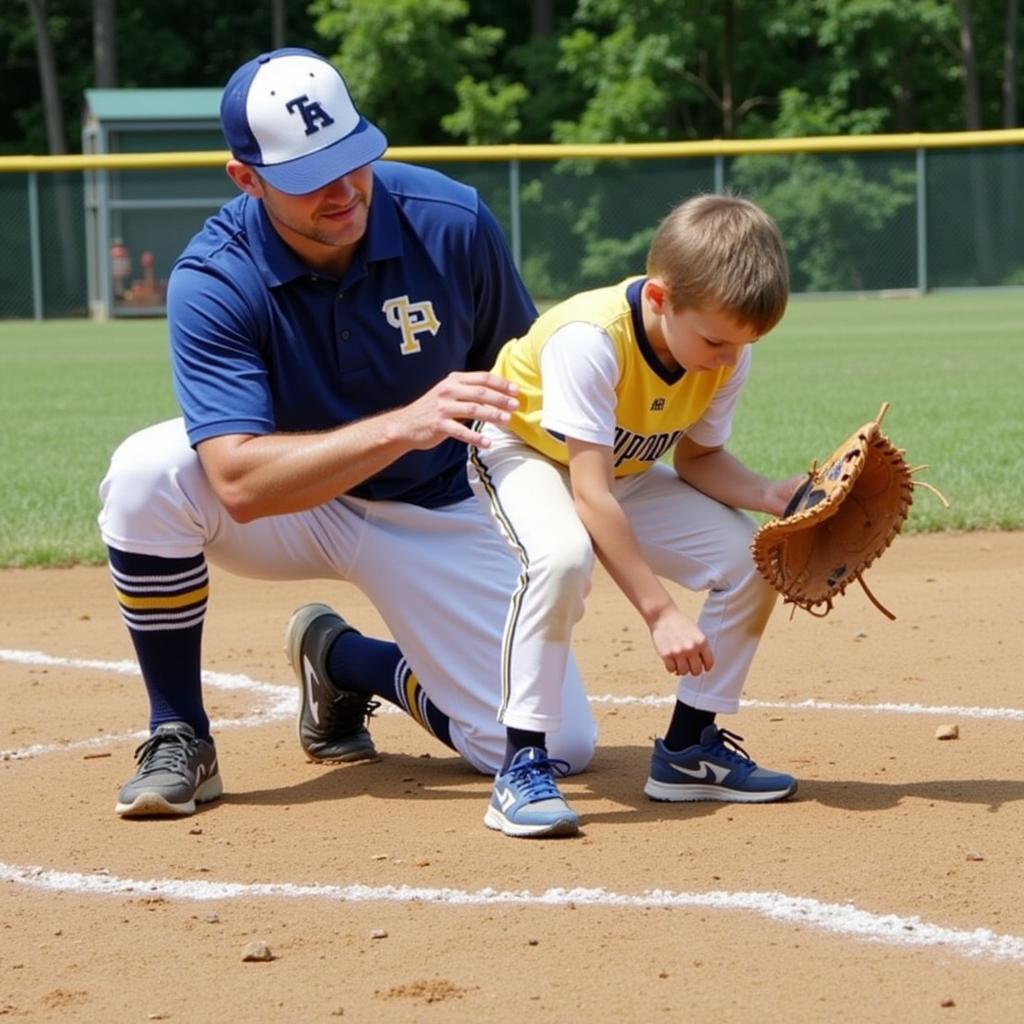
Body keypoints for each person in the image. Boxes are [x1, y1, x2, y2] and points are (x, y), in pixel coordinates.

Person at [98, 47, 596, 819]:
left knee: (554, 743)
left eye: (353, 159)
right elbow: (235, 482)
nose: (342, 190)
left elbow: (530, 395)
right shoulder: (214, 277)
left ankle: (344, 662)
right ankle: (180, 733)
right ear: (247, 178)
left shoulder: (451, 223)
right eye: (308, 177)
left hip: (437, 502)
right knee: (145, 473)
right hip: (291, 504)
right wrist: (403, 424)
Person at [468, 193, 806, 838]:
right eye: (716, 341)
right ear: (658, 298)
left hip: (617, 467)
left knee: (751, 558)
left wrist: (770, 494)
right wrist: (660, 612)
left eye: (744, 343)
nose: (729, 359)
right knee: (562, 557)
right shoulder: (589, 341)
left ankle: (689, 749)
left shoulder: (724, 344)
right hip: (523, 452)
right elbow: (590, 495)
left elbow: (701, 458)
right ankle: (521, 766)